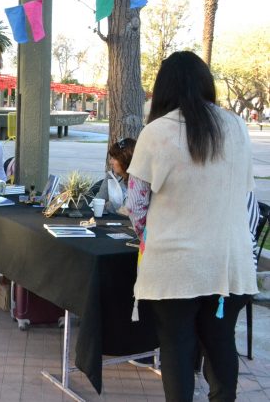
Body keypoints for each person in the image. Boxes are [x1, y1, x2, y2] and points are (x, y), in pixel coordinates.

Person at [125, 51, 257, 401]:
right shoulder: (238, 127)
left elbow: (136, 205)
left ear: (164, 89)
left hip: (174, 267)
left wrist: (148, 236)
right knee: (220, 343)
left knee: (177, 350)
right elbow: (247, 198)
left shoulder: (156, 133)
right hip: (228, 264)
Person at [95, 138, 136, 215]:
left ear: (126, 159)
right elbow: (98, 202)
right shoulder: (110, 177)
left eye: (114, 158)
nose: (110, 162)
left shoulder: (141, 183)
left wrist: (109, 206)